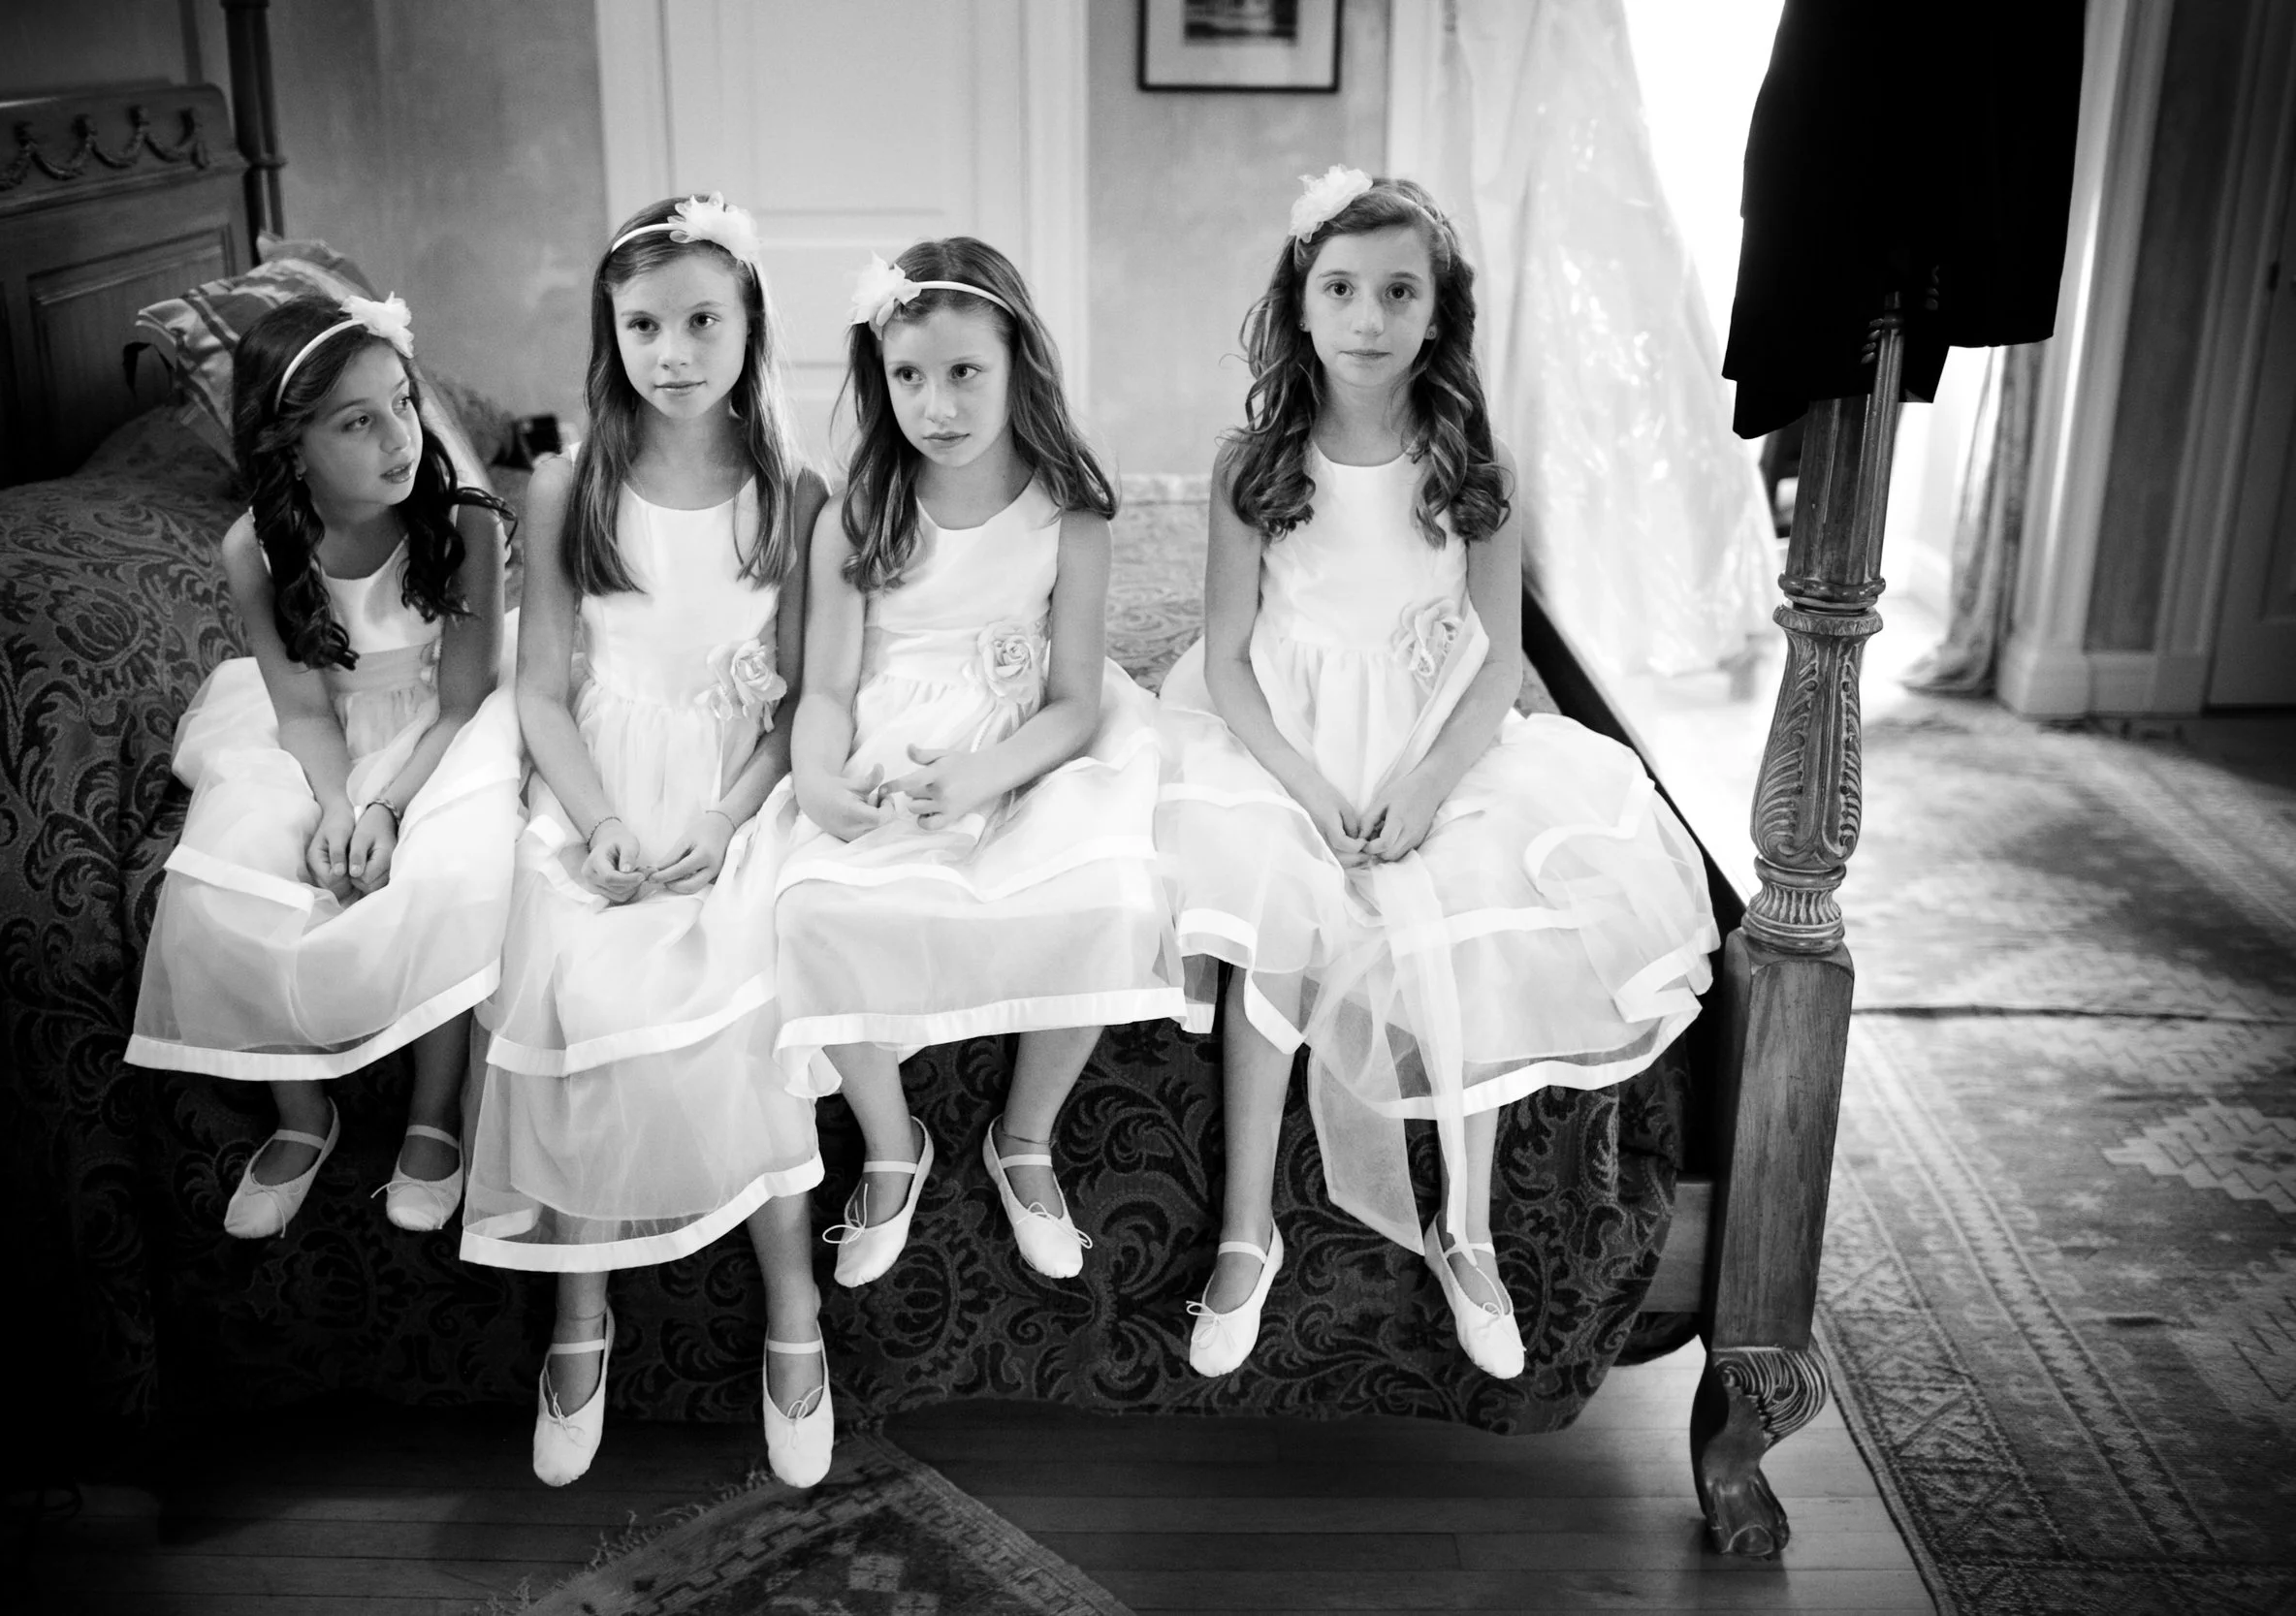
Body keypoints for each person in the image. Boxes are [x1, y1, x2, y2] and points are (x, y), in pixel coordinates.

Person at [1161, 171, 1718, 1379]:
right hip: (1284, 739)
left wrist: (1421, 789)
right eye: (1340, 289)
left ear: (1438, 311)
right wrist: (1304, 787)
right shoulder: (1252, 465)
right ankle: (1246, 1231)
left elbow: (1500, 661)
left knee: (1464, 920)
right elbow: (1226, 658)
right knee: (1267, 914)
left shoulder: (1474, 465)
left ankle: (1467, 1231)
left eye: (1398, 292)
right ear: (1299, 306)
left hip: (1434, 738)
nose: (1367, 318)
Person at [458, 198, 832, 1489]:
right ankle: (580, 1309)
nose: (673, 351)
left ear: (751, 325)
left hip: (740, 790)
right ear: (610, 334)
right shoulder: (572, 483)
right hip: (600, 785)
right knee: (569, 982)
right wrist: (602, 820)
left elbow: (802, 699)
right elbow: (541, 689)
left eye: (702, 321)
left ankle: (794, 1305)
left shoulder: (796, 493)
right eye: (643, 325)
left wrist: (727, 819)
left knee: (759, 987)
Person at [773, 238, 1182, 1292]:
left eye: (965, 372)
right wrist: (816, 778)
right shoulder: (858, 510)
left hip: (1026, 744)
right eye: (908, 376)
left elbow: (1076, 700)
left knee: (1112, 898)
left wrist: (983, 773)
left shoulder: (1069, 514)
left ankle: (1025, 1136)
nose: (938, 404)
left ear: (1017, 367)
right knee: (806, 910)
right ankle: (891, 1140)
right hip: (888, 739)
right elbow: (825, 689)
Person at [127, 292, 519, 1242]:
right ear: (290, 447)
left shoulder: (464, 523)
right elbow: (301, 709)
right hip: (320, 737)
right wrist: (339, 804)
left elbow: (463, 700)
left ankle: (433, 1110)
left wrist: (387, 807)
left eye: (402, 403)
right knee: (224, 878)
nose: (400, 437)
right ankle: (302, 1114)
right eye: (357, 421)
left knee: (453, 873)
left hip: (443, 726)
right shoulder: (255, 546)